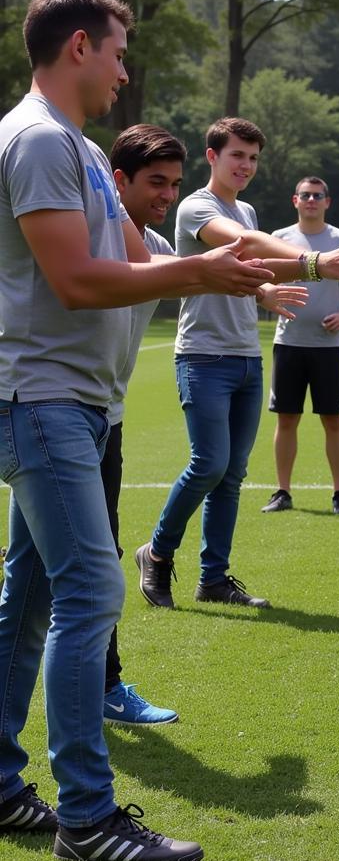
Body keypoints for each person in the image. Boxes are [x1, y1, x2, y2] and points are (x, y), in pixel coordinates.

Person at [0, 0, 275, 861]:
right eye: (117, 51)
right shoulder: (40, 140)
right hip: (40, 401)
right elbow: (82, 281)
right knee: (91, 594)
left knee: (35, 598)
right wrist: (205, 278)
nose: (124, 70)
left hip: (67, 404)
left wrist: (291, 262)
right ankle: (88, 817)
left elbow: (144, 255)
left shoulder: (74, 147)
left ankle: (2, 789)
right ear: (78, 46)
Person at [135, 118, 339, 611]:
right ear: (212, 157)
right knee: (208, 464)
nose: (245, 166)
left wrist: (322, 263)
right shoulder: (197, 207)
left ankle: (214, 578)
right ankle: (157, 554)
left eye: (252, 158)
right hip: (203, 356)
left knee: (232, 474)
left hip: (248, 355)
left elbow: (258, 266)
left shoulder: (245, 208)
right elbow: (243, 247)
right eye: (236, 156)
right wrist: (318, 262)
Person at [100, 124, 191, 727]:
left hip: (104, 418)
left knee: (33, 582)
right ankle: (104, 688)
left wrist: (306, 269)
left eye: (174, 184)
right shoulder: (84, 236)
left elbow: (205, 269)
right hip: (55, 413)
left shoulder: (152, 244)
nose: (167, 194)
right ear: (118, 181)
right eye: (155, 182)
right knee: (96, 571)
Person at [261, 176, 339, 516]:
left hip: (328, 347)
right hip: (288, 342)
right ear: (295, 200)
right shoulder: (279, 239)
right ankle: (282, 491)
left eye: (317, 195)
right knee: (286, 420)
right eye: (305, 195)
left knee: (333, 420)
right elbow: (265, 277)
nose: (311, 200)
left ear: (327, 202)